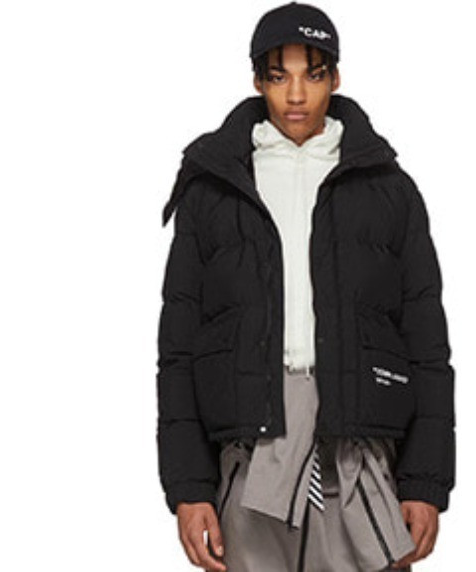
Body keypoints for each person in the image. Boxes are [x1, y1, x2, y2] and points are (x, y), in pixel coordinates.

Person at [156, 3, 456, 570]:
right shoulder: (214, 190)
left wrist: (425, 481)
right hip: (251, 452)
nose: (296, 95)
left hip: (359, 447)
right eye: (279, 76)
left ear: (335, 78)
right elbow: (179, 349)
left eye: (313, 75)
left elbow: (426, 345)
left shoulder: (391, 191)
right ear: (257, 81)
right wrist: (189, 487)